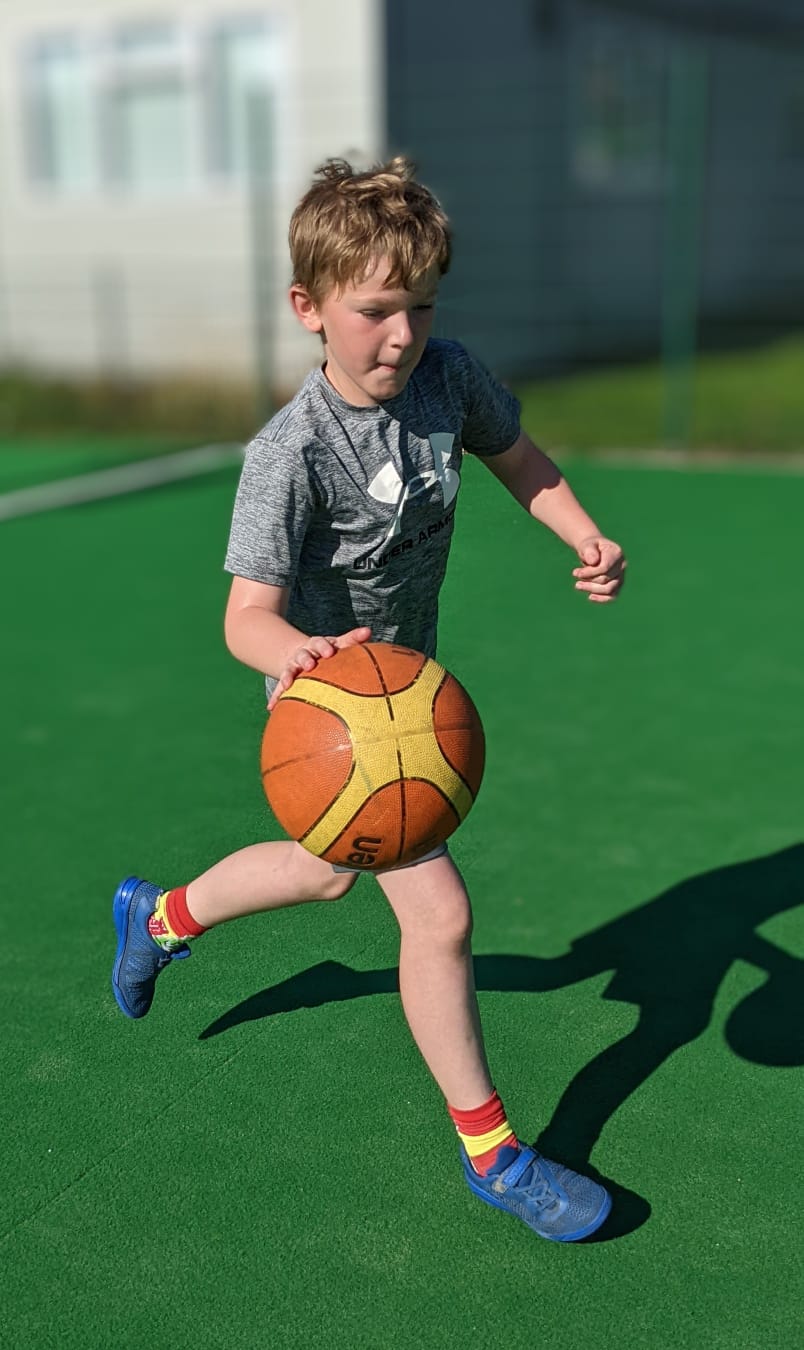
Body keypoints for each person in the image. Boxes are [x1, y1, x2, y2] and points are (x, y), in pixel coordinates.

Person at [111, 156, 626, 1243]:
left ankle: (158, 917)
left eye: (422, 304)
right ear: (310, 309)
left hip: (409, 700)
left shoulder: (449, 376)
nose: (404, 333)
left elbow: (519, 458)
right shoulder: (288, 453)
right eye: (377, 310)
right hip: (330, 713)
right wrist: (304, 653)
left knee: (325, 877)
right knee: (438, 914)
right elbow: (243, 616)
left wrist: (579, 530)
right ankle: (494, 1154)